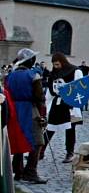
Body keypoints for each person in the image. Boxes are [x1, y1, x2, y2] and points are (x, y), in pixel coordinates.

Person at [5, 49, 47, 183]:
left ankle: (18, 170)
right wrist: (42, 114)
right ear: (29, 61)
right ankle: (30, 172)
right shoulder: (33, 75)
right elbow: (39, 96)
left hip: (14, 110)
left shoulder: (10, 76)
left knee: (19, 138)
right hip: (30, 109)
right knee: (38, 141)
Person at [44, 52, 83, 164]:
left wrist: (75, 105)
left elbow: (79, 88)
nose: (56, 67)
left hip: (70, 104)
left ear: (63, 62)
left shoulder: (75, 71)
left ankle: (69, 153)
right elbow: (50, 92)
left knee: (70, 129)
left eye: (57, 64)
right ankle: (40, 151)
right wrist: (46, 106)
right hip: (57, 104)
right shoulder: (53, 74)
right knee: (49, 127)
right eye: (54, 65)